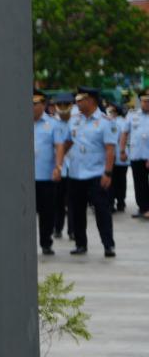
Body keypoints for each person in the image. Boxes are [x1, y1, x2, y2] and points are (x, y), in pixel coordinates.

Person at [62, 86, 117, 258]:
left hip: (96, 174)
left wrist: (107, 173)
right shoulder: (74, 120)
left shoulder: (105, 121)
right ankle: (80, 244)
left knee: (102, 211)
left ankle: (108, 245)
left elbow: (110, 149)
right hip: (76, 174)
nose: (77, 103)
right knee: (77, 211)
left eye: (80, 100)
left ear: (91, 100)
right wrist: (57, 161)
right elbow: (68, 142)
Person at [33, 89, 66, 256]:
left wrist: (58, 167)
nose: (32, 107)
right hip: (25, 179)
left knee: (47, 211)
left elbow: (59, 146)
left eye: (35, 104)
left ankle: (46, 242)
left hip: (45, 175)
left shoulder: (53, 124)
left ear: (43, 104)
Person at [52, 93, 75, 240]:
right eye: (60, 105)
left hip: (74, 169)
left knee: (73, 203)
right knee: (57, 202)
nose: (62, 108)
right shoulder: (52, 123)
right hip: (58, 169)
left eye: (66, 105)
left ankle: (73, 231)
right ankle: (57, 228)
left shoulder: (77, 122)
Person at [127, 92, 149, 219]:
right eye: (145, 101)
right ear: (141, 102)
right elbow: (125, 132)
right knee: (139, 183)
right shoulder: (132, 115)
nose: (147, 103)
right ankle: (143, 208)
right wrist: (123, 151)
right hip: (136, 155)